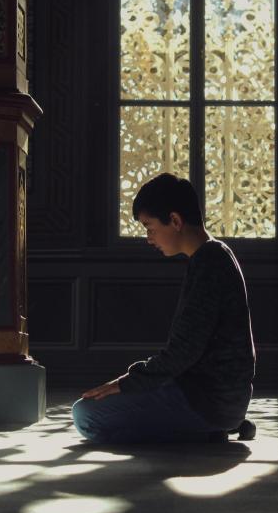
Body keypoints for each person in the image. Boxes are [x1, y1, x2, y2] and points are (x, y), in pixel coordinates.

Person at [72, 173, 256, 443]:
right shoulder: (215, 255)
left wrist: (126, 383)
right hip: (220, 399)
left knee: (85, 415)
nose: (149, 238)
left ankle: (203, 430)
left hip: (207, 402)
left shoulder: (210, 264)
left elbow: (181, 353)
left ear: (175, 221)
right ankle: (213, 427)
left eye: (150, 227)